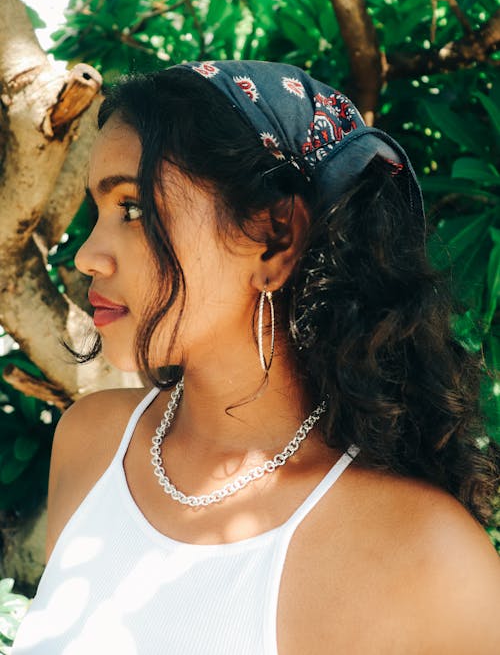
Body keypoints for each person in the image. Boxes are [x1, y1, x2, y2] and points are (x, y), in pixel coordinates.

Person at [12, 60, 500, 654]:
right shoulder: (91, 443)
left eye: (133, 209)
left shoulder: (428, 560)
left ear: (275, 238)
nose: (88, 256)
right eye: (99, 212)